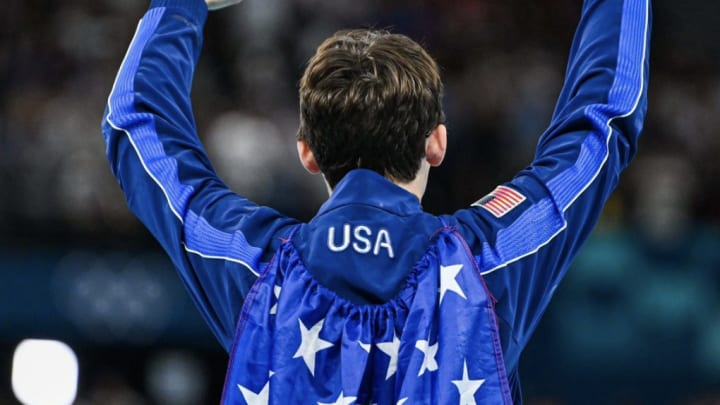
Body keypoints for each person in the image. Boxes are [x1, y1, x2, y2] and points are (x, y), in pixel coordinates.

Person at [102, 0, 651, 403]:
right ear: (437, 142)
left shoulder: (253, 266)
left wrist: (180, 6)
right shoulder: (490, 258)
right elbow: (603, 121)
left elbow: (135, 125)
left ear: (307, 152)